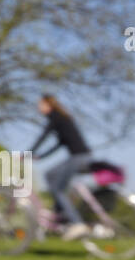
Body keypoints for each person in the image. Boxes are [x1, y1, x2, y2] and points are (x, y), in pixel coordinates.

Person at [29, 95, 92, 241]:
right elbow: (60, 144)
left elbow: (43, 137)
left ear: (48, 105)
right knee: (51, 175)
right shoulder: (62, 118)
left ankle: (76, 222)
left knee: (56, 188)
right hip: (81, 156)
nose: (39, 108)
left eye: (41, 105)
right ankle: (61, 212)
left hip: (79, 157)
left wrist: (29, 152)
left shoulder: (55, 117)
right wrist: (41, 156)